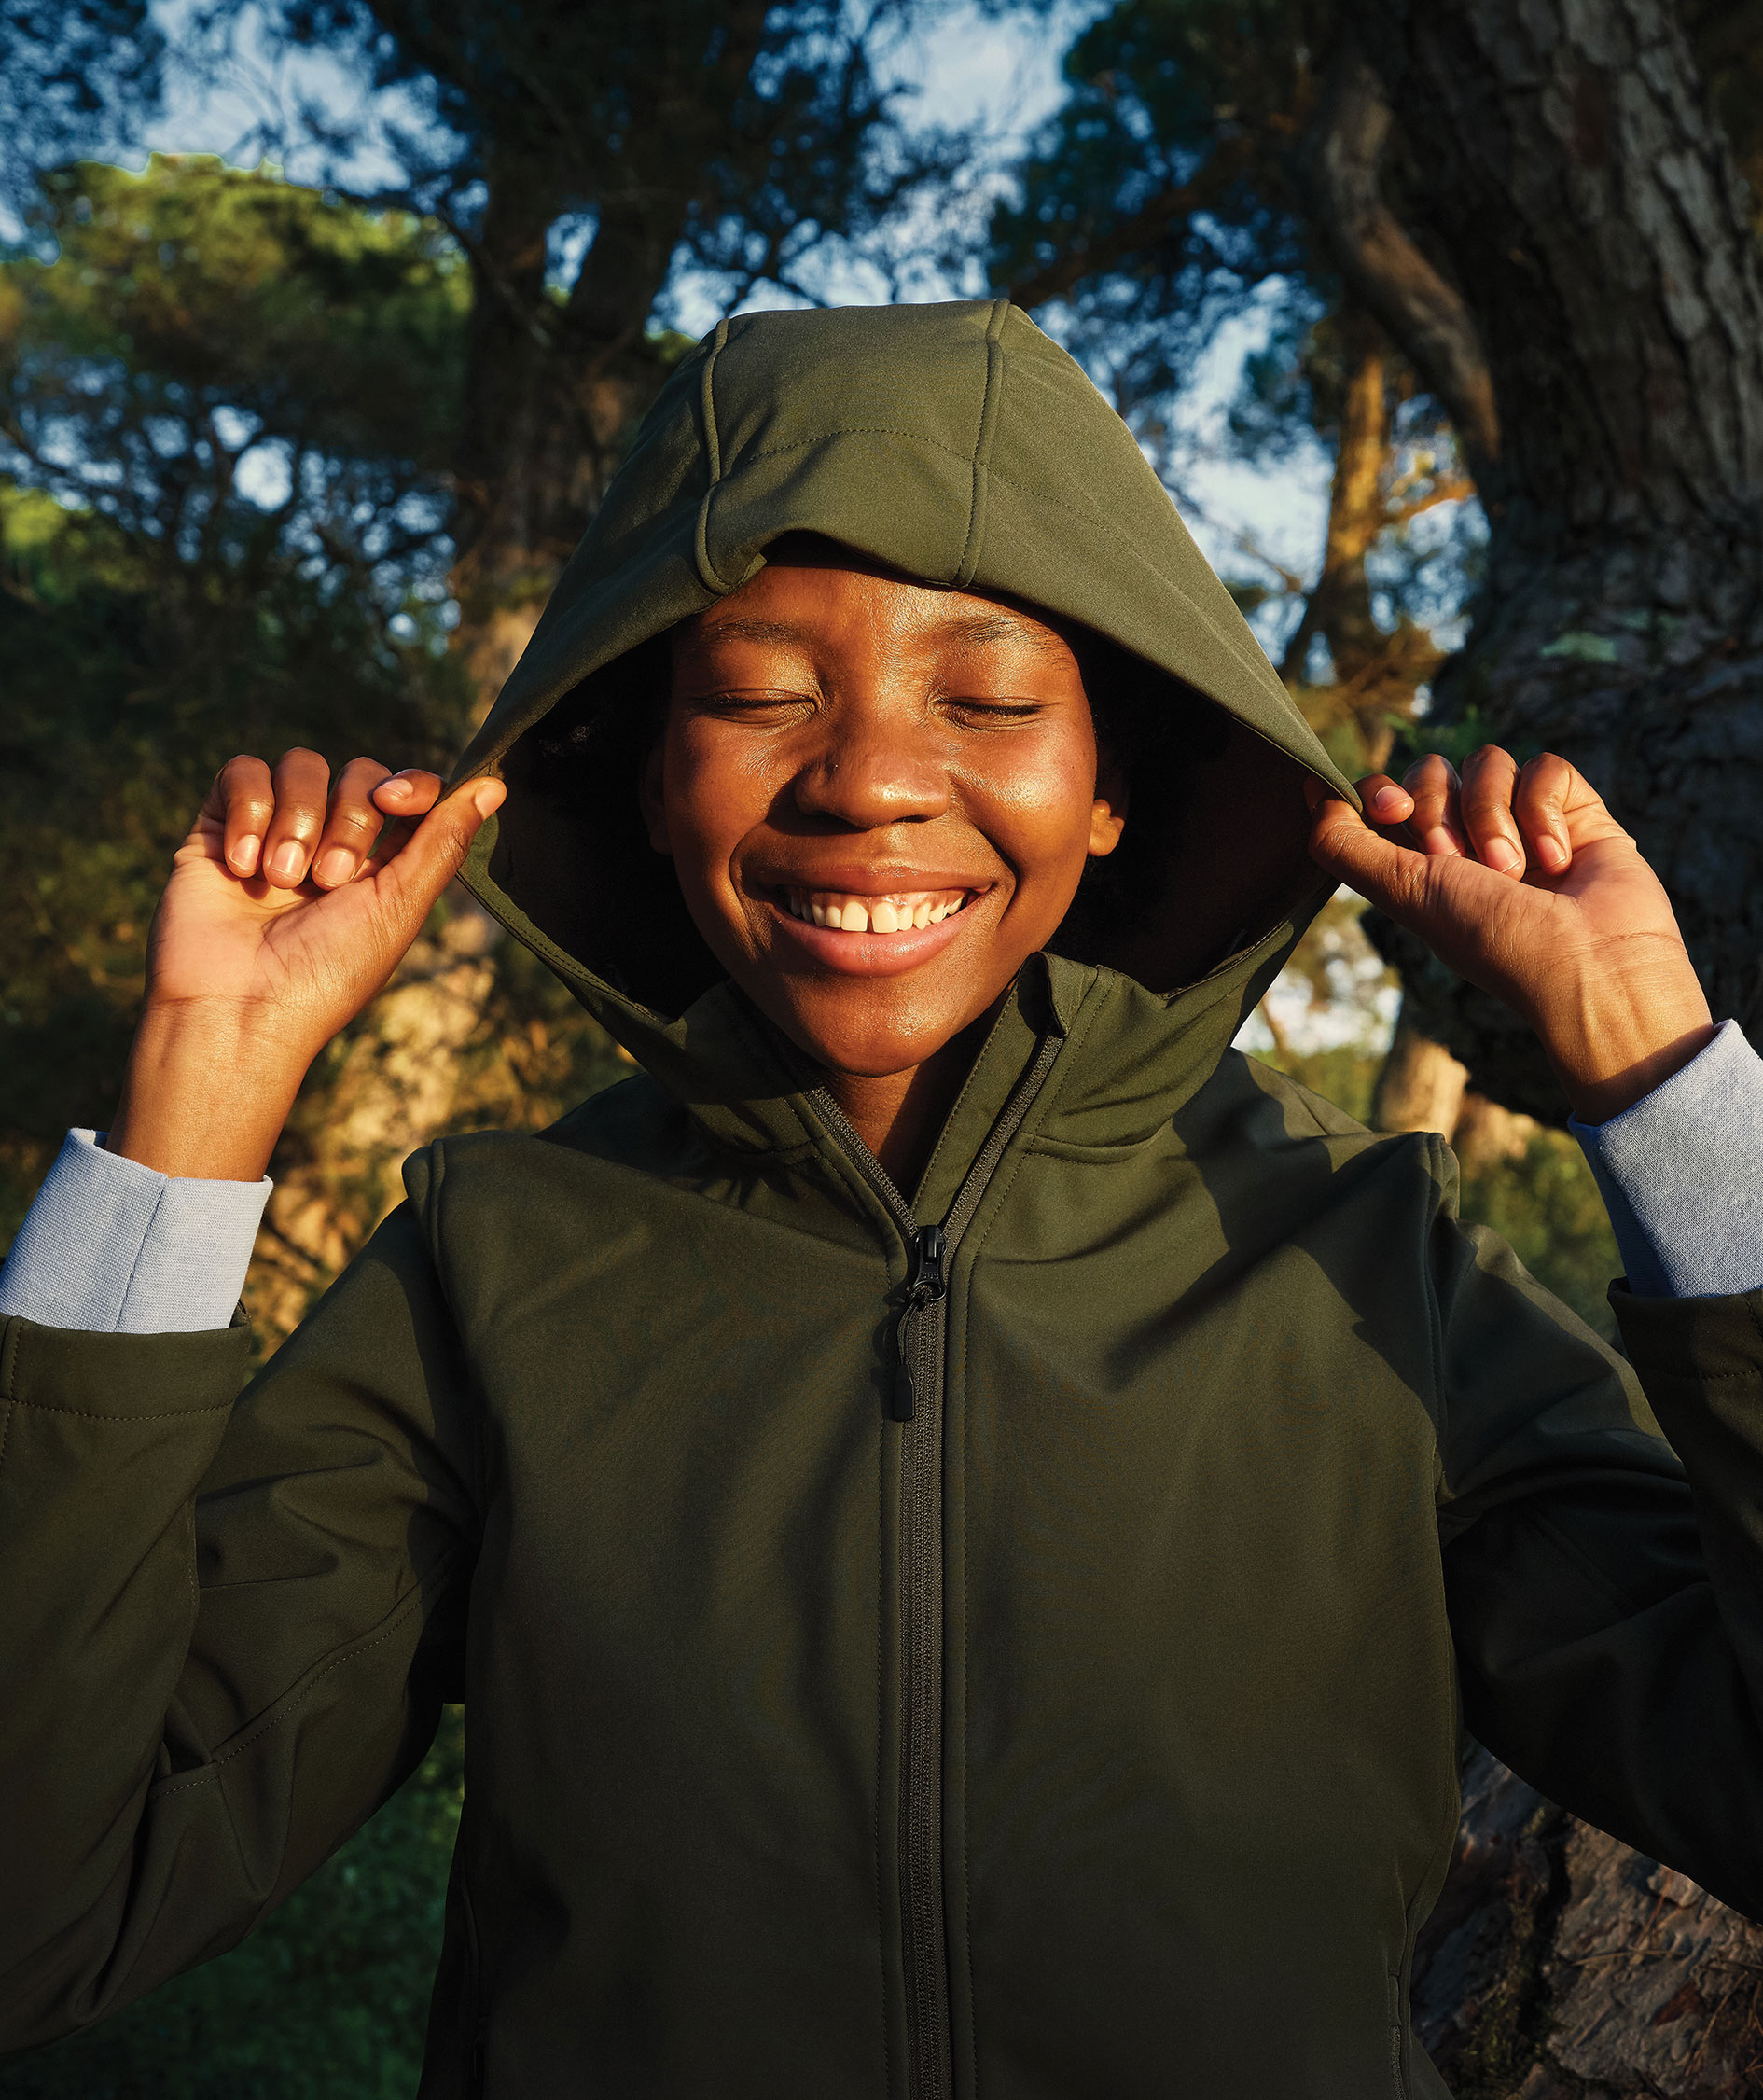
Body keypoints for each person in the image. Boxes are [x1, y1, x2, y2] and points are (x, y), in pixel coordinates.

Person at [2, 299, 1760, 2100]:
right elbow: (43, 1916)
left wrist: (1665, 1086)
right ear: (645, 770)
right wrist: (191, 1112)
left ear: (1111, 793)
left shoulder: (1367, 1258)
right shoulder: (494, 1267)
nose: (866, 779)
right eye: (761, 694)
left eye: (988, 697)